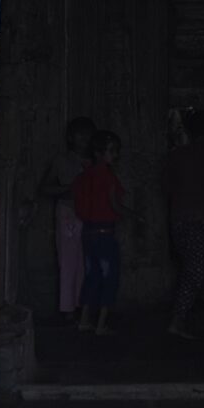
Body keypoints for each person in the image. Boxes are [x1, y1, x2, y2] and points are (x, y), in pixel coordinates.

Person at [164, 109, 204, 340]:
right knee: (199, 268)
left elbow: (168, 189)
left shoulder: (176, 156)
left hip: (181, 218)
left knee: (200, 268)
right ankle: (177, 320)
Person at [37, 116, 95, 320]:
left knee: (87, 261)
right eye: (80, 134)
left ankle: (83, 305)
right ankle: (68, 308)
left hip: (91, 213)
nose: (84, 139)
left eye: (88, 134)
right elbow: (45, 187)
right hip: (68, 213)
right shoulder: (62, 160)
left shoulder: (96, 161)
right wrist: (68, 189)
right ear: (70, 137)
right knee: (69, 261)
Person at [72, 128, 127, 335]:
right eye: (112, 151)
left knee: (91, 276)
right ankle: (101, 324)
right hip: (105, 232)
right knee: (109, 277)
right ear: (99, 153)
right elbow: (114, 204)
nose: (115, 156)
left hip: (88, 232)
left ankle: (84, 320)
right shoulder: (108, 177)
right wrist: (129, 215)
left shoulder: (83, 176)